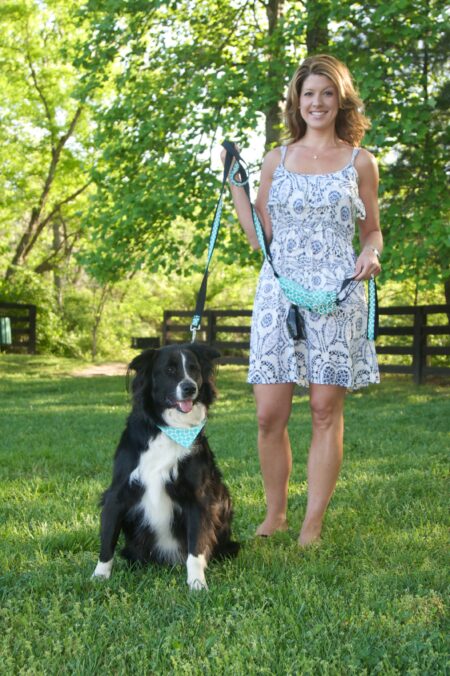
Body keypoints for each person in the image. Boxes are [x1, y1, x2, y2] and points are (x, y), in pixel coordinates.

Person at [222, 54, 382, 546]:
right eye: (309, 93)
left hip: (337, 295)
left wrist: (371, 257)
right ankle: (275, 516)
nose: (317, 102)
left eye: (327, 93)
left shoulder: (360, 161)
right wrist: (235, 190)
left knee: (323, 411)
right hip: (278, 293)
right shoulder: (277, 159)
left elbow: (372, 232)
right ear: (297, 101)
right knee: (270, 414)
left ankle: (311, 523)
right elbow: (261, 239)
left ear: (341, 100)